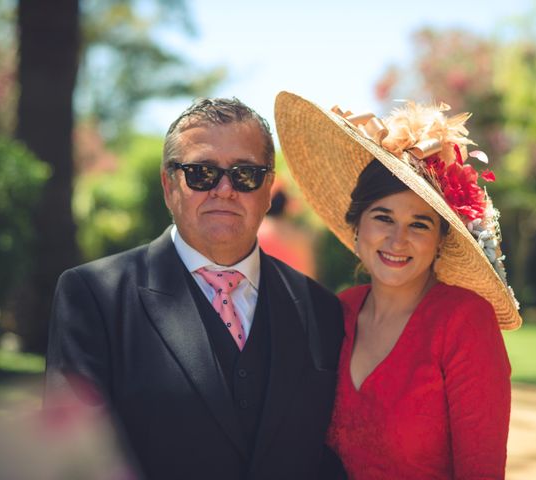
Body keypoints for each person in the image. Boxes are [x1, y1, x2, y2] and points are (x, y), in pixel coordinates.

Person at [45, 97, 344, 480]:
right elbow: (74, 463)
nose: (224, 189)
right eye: (201, 173)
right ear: (169, 184)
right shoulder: (93, 297)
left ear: (268, 188)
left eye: (245, 174)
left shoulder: (323, 311)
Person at [275, 91, 523, 479]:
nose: (397, 239)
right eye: (383, 217)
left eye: (419, 224)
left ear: (441, 239)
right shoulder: (336, 312)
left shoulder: (464, 323)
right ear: (357, 227)